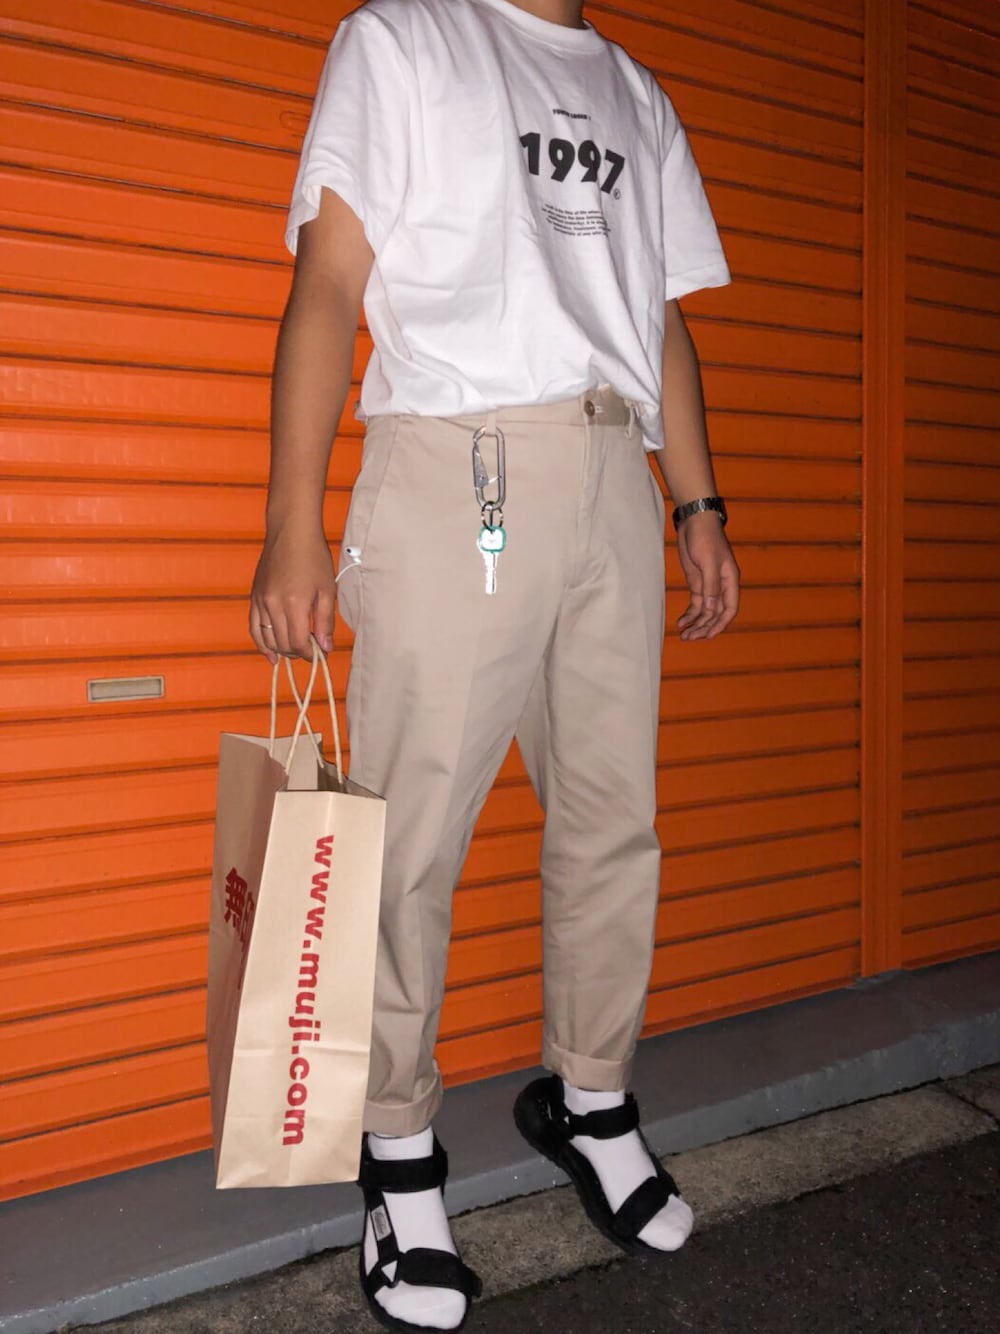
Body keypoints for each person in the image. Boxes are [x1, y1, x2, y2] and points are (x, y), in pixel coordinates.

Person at [249, 0, 739, 1328]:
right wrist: (293, 521)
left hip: (613, 469)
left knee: (611, 820)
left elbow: (657, 315)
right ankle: (394, 1146)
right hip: (456, 462)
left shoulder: (634, 91)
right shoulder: (405, 40)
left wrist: (695, 502)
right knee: (408, 841)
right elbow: (330, 279)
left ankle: (591, 1096)